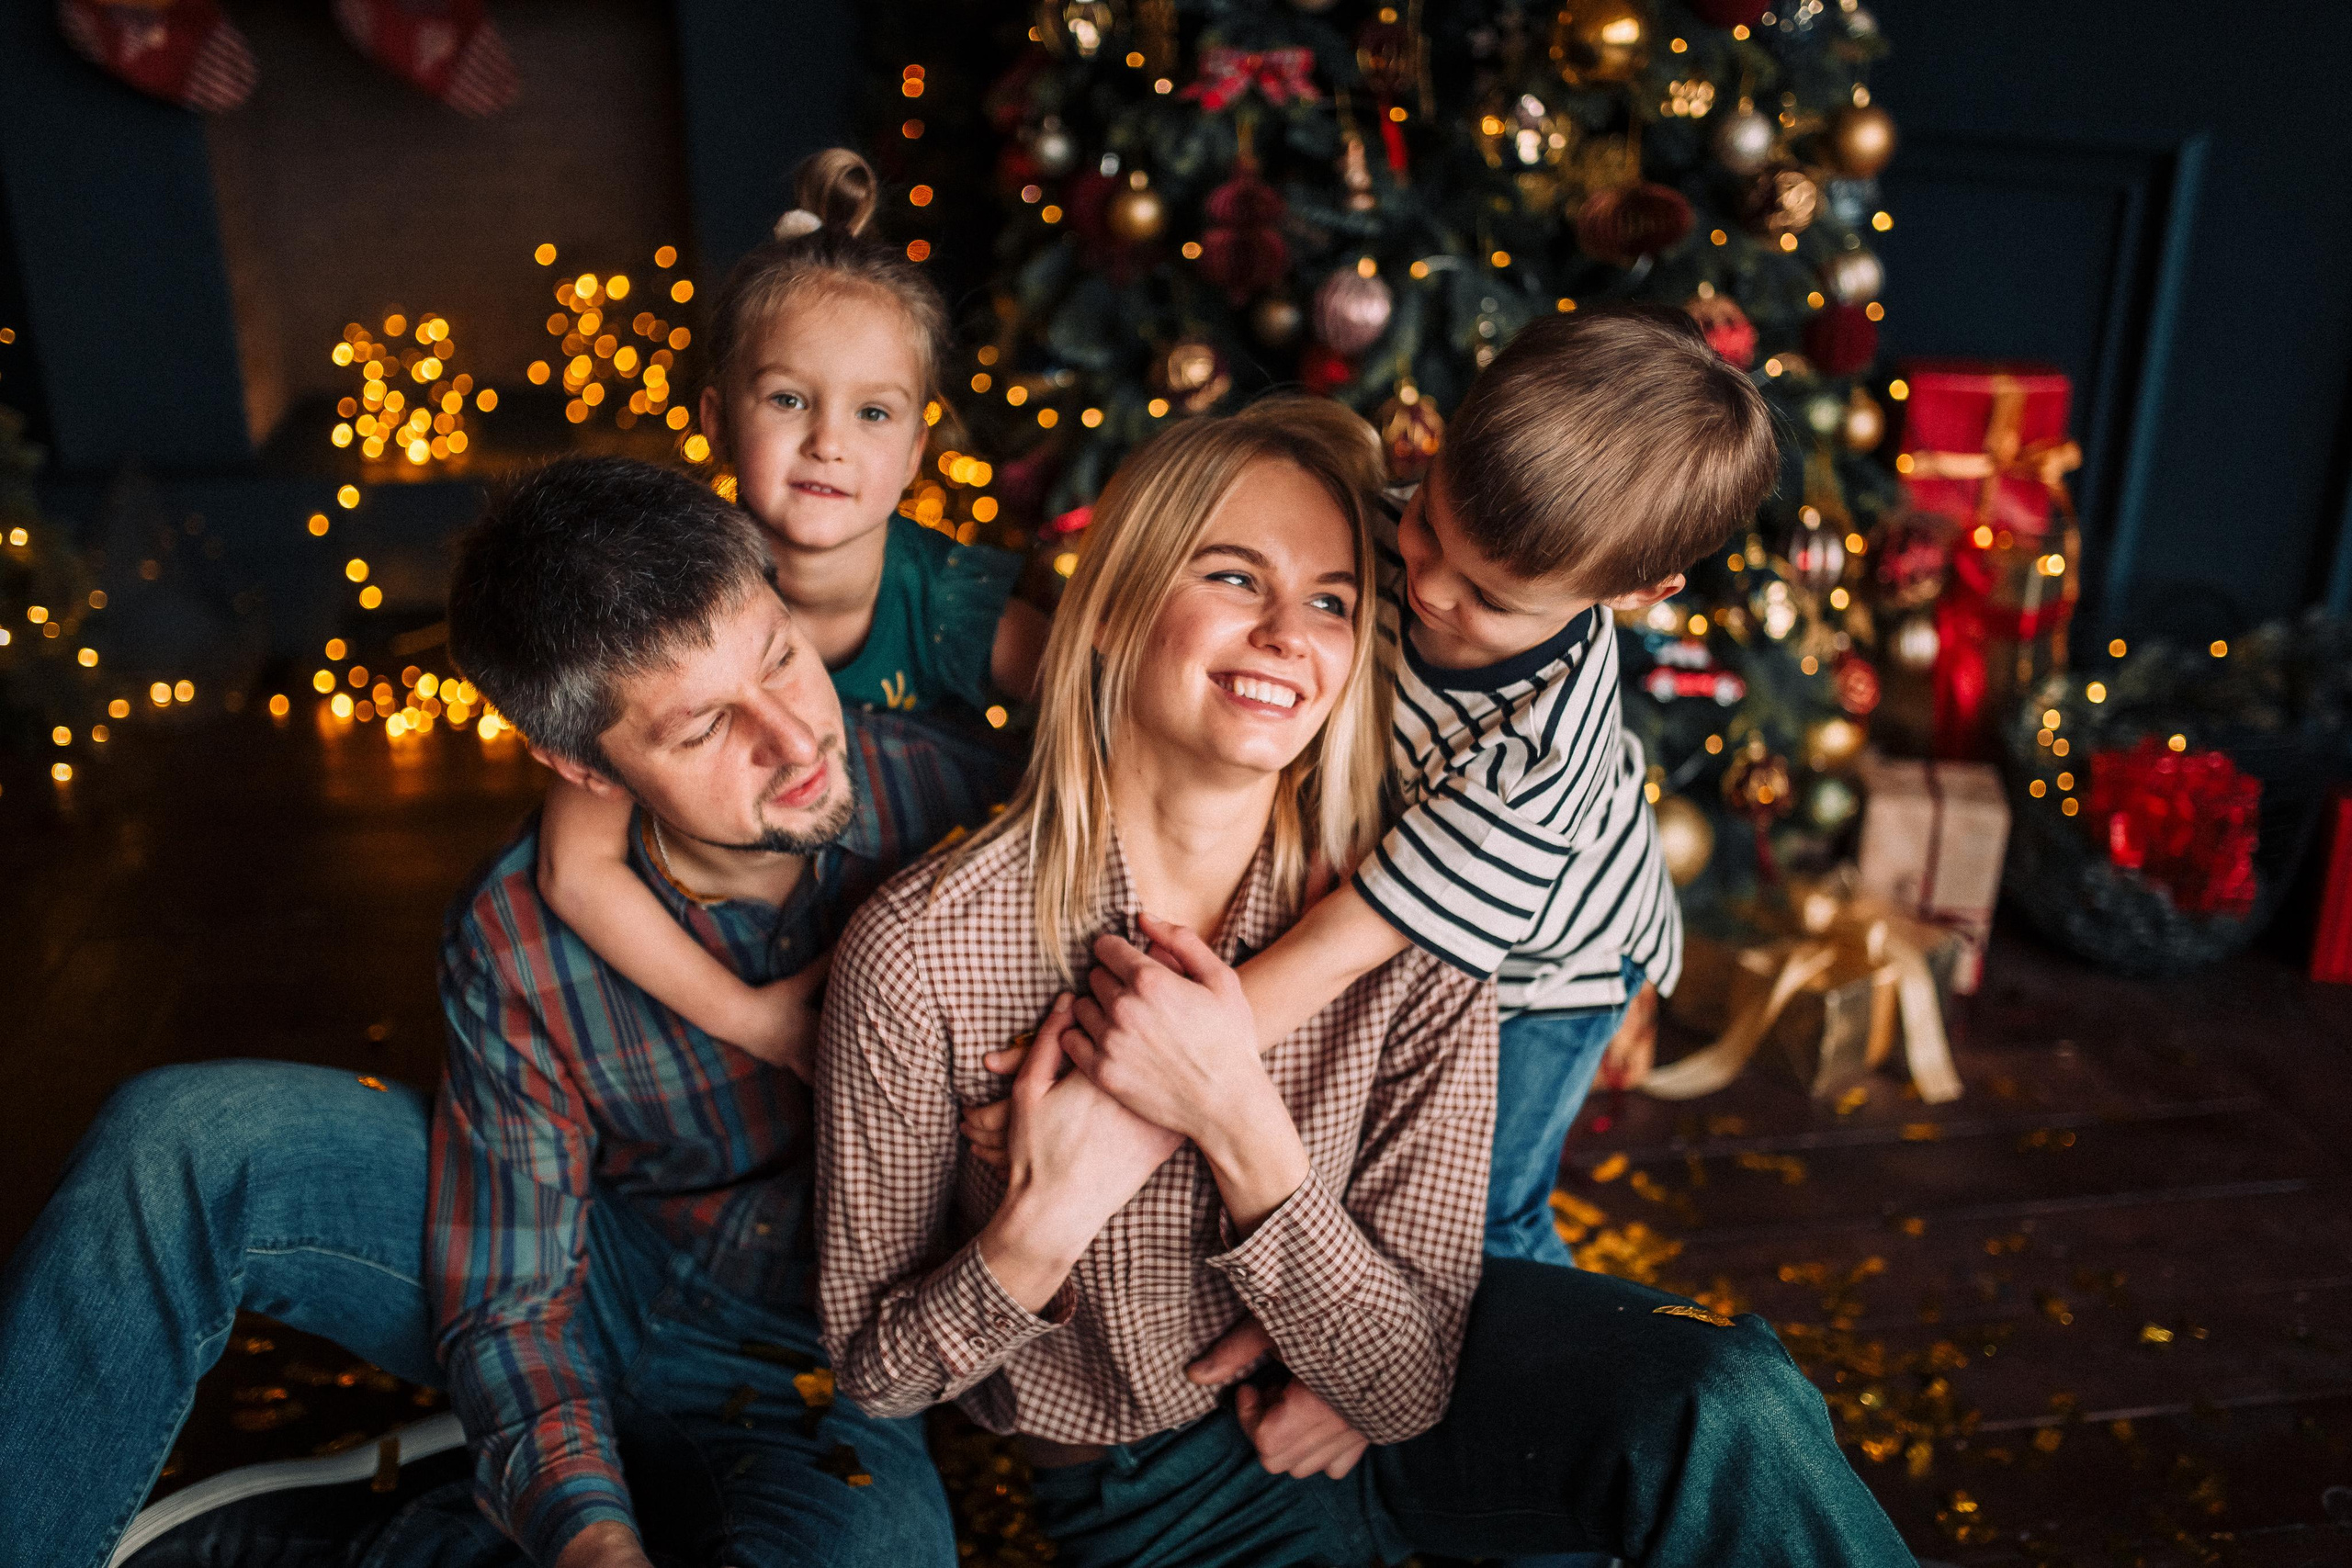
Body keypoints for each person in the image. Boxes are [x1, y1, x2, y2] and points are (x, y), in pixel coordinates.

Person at [815, 401, 1916, 1567]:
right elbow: (878, 1375)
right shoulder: (924, 952)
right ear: (1115, 603)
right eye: (1235, 577)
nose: (1287, 634)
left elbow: (1403, 1385)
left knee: (1730, 1398)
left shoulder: (1412, 915)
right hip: (1159, 1495)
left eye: (1332, 602)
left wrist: (1234, 1119)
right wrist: (1042, 1224)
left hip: (1423, 1425)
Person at [0, 457, 1012, 1568]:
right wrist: (591, 1541)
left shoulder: (976, 807)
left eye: (779, 656)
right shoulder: (517, 928)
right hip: (590, 1265)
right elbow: (512, 1297)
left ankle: (384, 1535)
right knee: (177, 1142)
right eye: (702, 729)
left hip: (825, 1365)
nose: (795, 739)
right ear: (581, 767)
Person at [964, 306, 1778, 1269]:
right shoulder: (1383, 527)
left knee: (1482, 1213)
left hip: (1545, 974)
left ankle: (1484, 1342)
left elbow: (1341, 946)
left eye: (1490, 599)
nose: (1428, 587)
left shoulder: (1541, 755)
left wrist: (1110, 1095)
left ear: (1638, 593)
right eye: (1428, 522)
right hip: (1386, 882)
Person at [535, 148, 1049, 1077]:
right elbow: (574, 868)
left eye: (874, 414)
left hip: (930, 934)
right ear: (717, 421)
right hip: (744, 923)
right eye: (787, 399)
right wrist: (753, 1022)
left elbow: (1114, 729)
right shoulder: (677, 597)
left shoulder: (954, 602)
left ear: (918, 449)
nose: (827, 442)